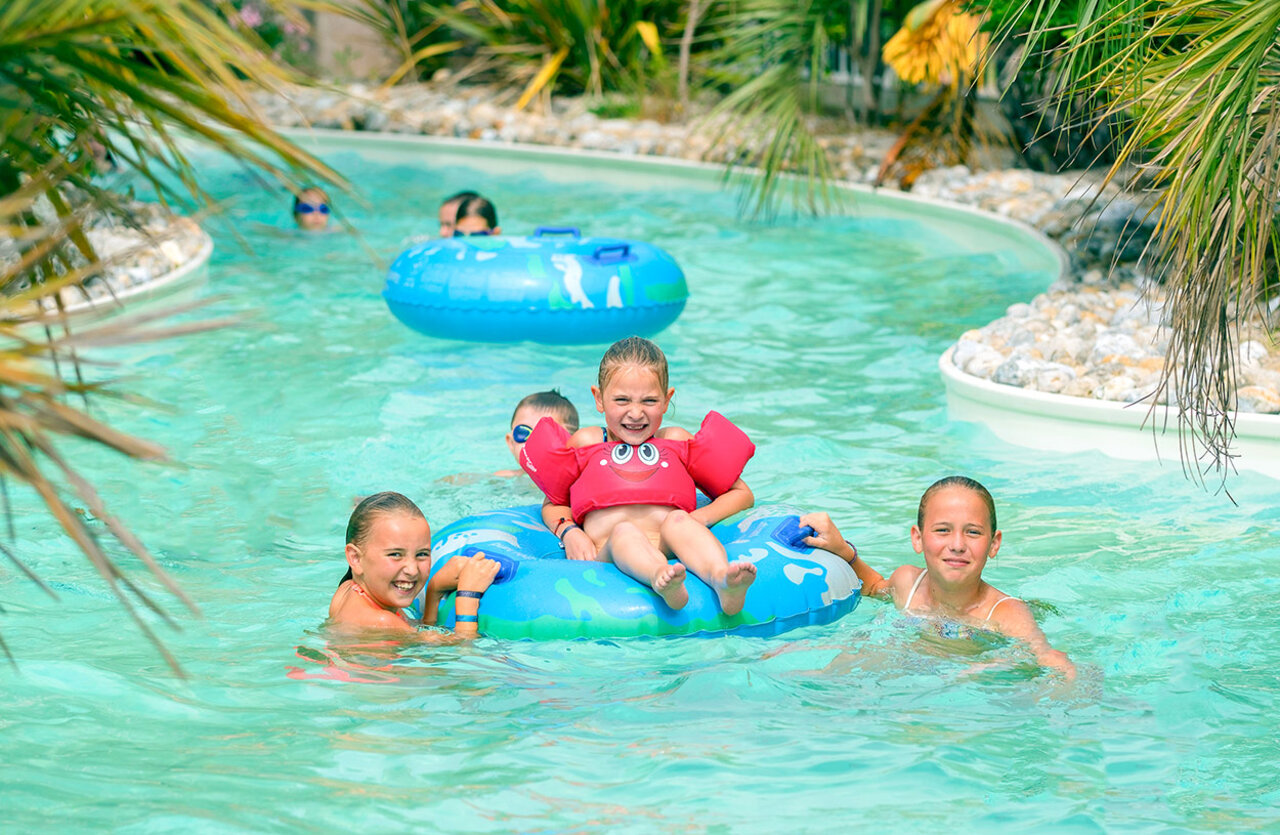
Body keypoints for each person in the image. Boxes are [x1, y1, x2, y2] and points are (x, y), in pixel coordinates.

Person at [520, 337, 758, 614]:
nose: (636, 413)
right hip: (609, 551)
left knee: (679, 521)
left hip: (669, 545)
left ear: (667, 400)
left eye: (650, 400)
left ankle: (722, 579)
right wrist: (570, 531)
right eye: (622, 400)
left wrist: (698, 519)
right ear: (599, 398)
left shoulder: (677, 441)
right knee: (625, 532)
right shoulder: (587, 442)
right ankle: (661, 578)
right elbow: (554, 501)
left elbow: (742, 494)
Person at [800, 476, 1076, 678]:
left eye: (973, 532)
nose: (957, 544)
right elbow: (873, 587)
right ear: (917, 539)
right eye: (943, 530)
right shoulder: (908, 584)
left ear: (994, 543)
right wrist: (841, 549)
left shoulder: (1007, 614)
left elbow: (1046, 658)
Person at [328, 492, 499, 637]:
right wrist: (468, 594)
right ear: (355, 558)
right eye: (395, 554)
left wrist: (435, 589)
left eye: (422, 554)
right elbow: (462, 650)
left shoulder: (348, 589)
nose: (412, 570)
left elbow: (423, 632)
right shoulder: (381, 622)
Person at [496, 390, 580, 478]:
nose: (533, 442)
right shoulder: (503, 477)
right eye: (523, 432)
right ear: (511, 443)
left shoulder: (575, 481)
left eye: (545, 434)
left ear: (572, 445)